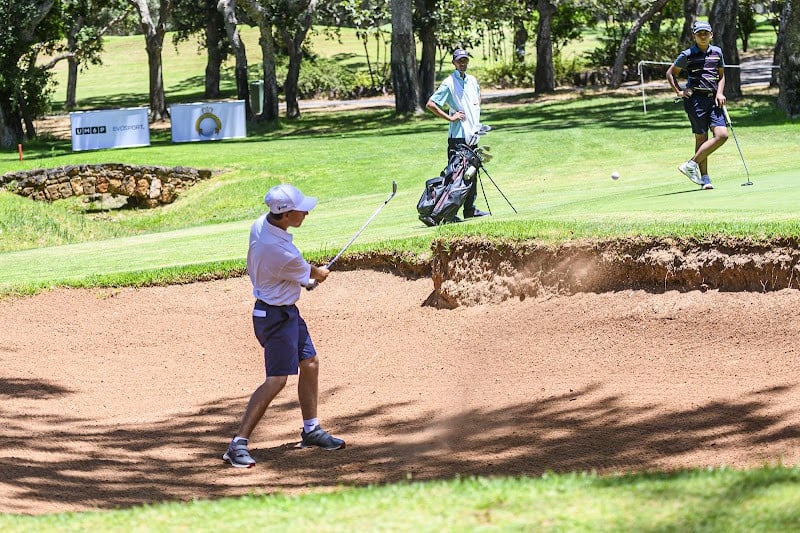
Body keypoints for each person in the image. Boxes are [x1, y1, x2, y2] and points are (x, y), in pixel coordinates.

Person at [223, 183, 344, 468]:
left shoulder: (261, 225)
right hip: (274, 318)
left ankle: (311, 430)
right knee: (277, 380)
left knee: (310, 363)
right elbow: (309, 273)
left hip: (285, 312)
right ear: (286, 214)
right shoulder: (279, 251)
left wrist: (306, 278)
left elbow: (296, 274)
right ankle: (237, 444)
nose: (306, 213)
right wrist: (318, 274)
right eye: (301, 210)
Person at [426, 48, 489, 220]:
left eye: (465, 60)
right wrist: (450, 117)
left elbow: (477, 98)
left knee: (471, 173)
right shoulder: (449, 83)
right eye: (459, 60)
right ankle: (447, 212)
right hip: (458, 138)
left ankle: (469, 209)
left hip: (472, 135)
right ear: (454, 62)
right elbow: (431, 104)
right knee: (456, 176)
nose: (463, 63)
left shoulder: (472, 80)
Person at [666, 20, 729, 191]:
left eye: (705, 33)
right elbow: (670, 73)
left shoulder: (717, 52)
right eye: (699, 33)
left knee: (722, 135)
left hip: (714, 99)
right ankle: (705, 178)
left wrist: (720, 93)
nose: (703, 36)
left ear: (711, 35)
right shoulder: (687, 55)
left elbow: (721, 75)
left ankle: (690, 164)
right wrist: (679, 92)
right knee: (701, 138)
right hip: (695, 101)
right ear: (694, 36)